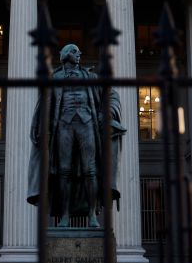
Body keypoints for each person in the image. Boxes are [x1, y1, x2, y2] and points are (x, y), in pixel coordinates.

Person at [27, 43, 126, 227]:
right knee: (64, 171)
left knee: (90, 170)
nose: (79, 55)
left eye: (79, 52)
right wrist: (42, 127)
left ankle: (92, 215)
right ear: (65, 55)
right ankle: (64, 215)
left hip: (87, 125)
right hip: (63, 126)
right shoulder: (54, 78)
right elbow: (45, 106)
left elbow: (111, 95)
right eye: (74, 52)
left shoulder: (91, 77)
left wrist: (108, 113)